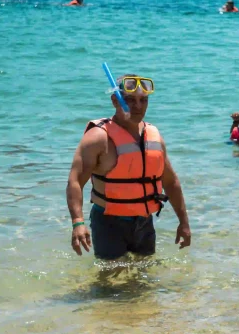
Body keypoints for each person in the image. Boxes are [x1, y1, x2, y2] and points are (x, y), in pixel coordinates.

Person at [66, 74, 191, 260]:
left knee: (145, 273)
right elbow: (75, 181)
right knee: (110, 275)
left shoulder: (153, 135)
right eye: (130, 100)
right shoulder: (98, 137)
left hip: (144, 222)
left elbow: (170, 181)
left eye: (143, 100)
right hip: (109, 223)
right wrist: (78, 222)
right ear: (115, 100)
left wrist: (184, 222)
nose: (138, 106)